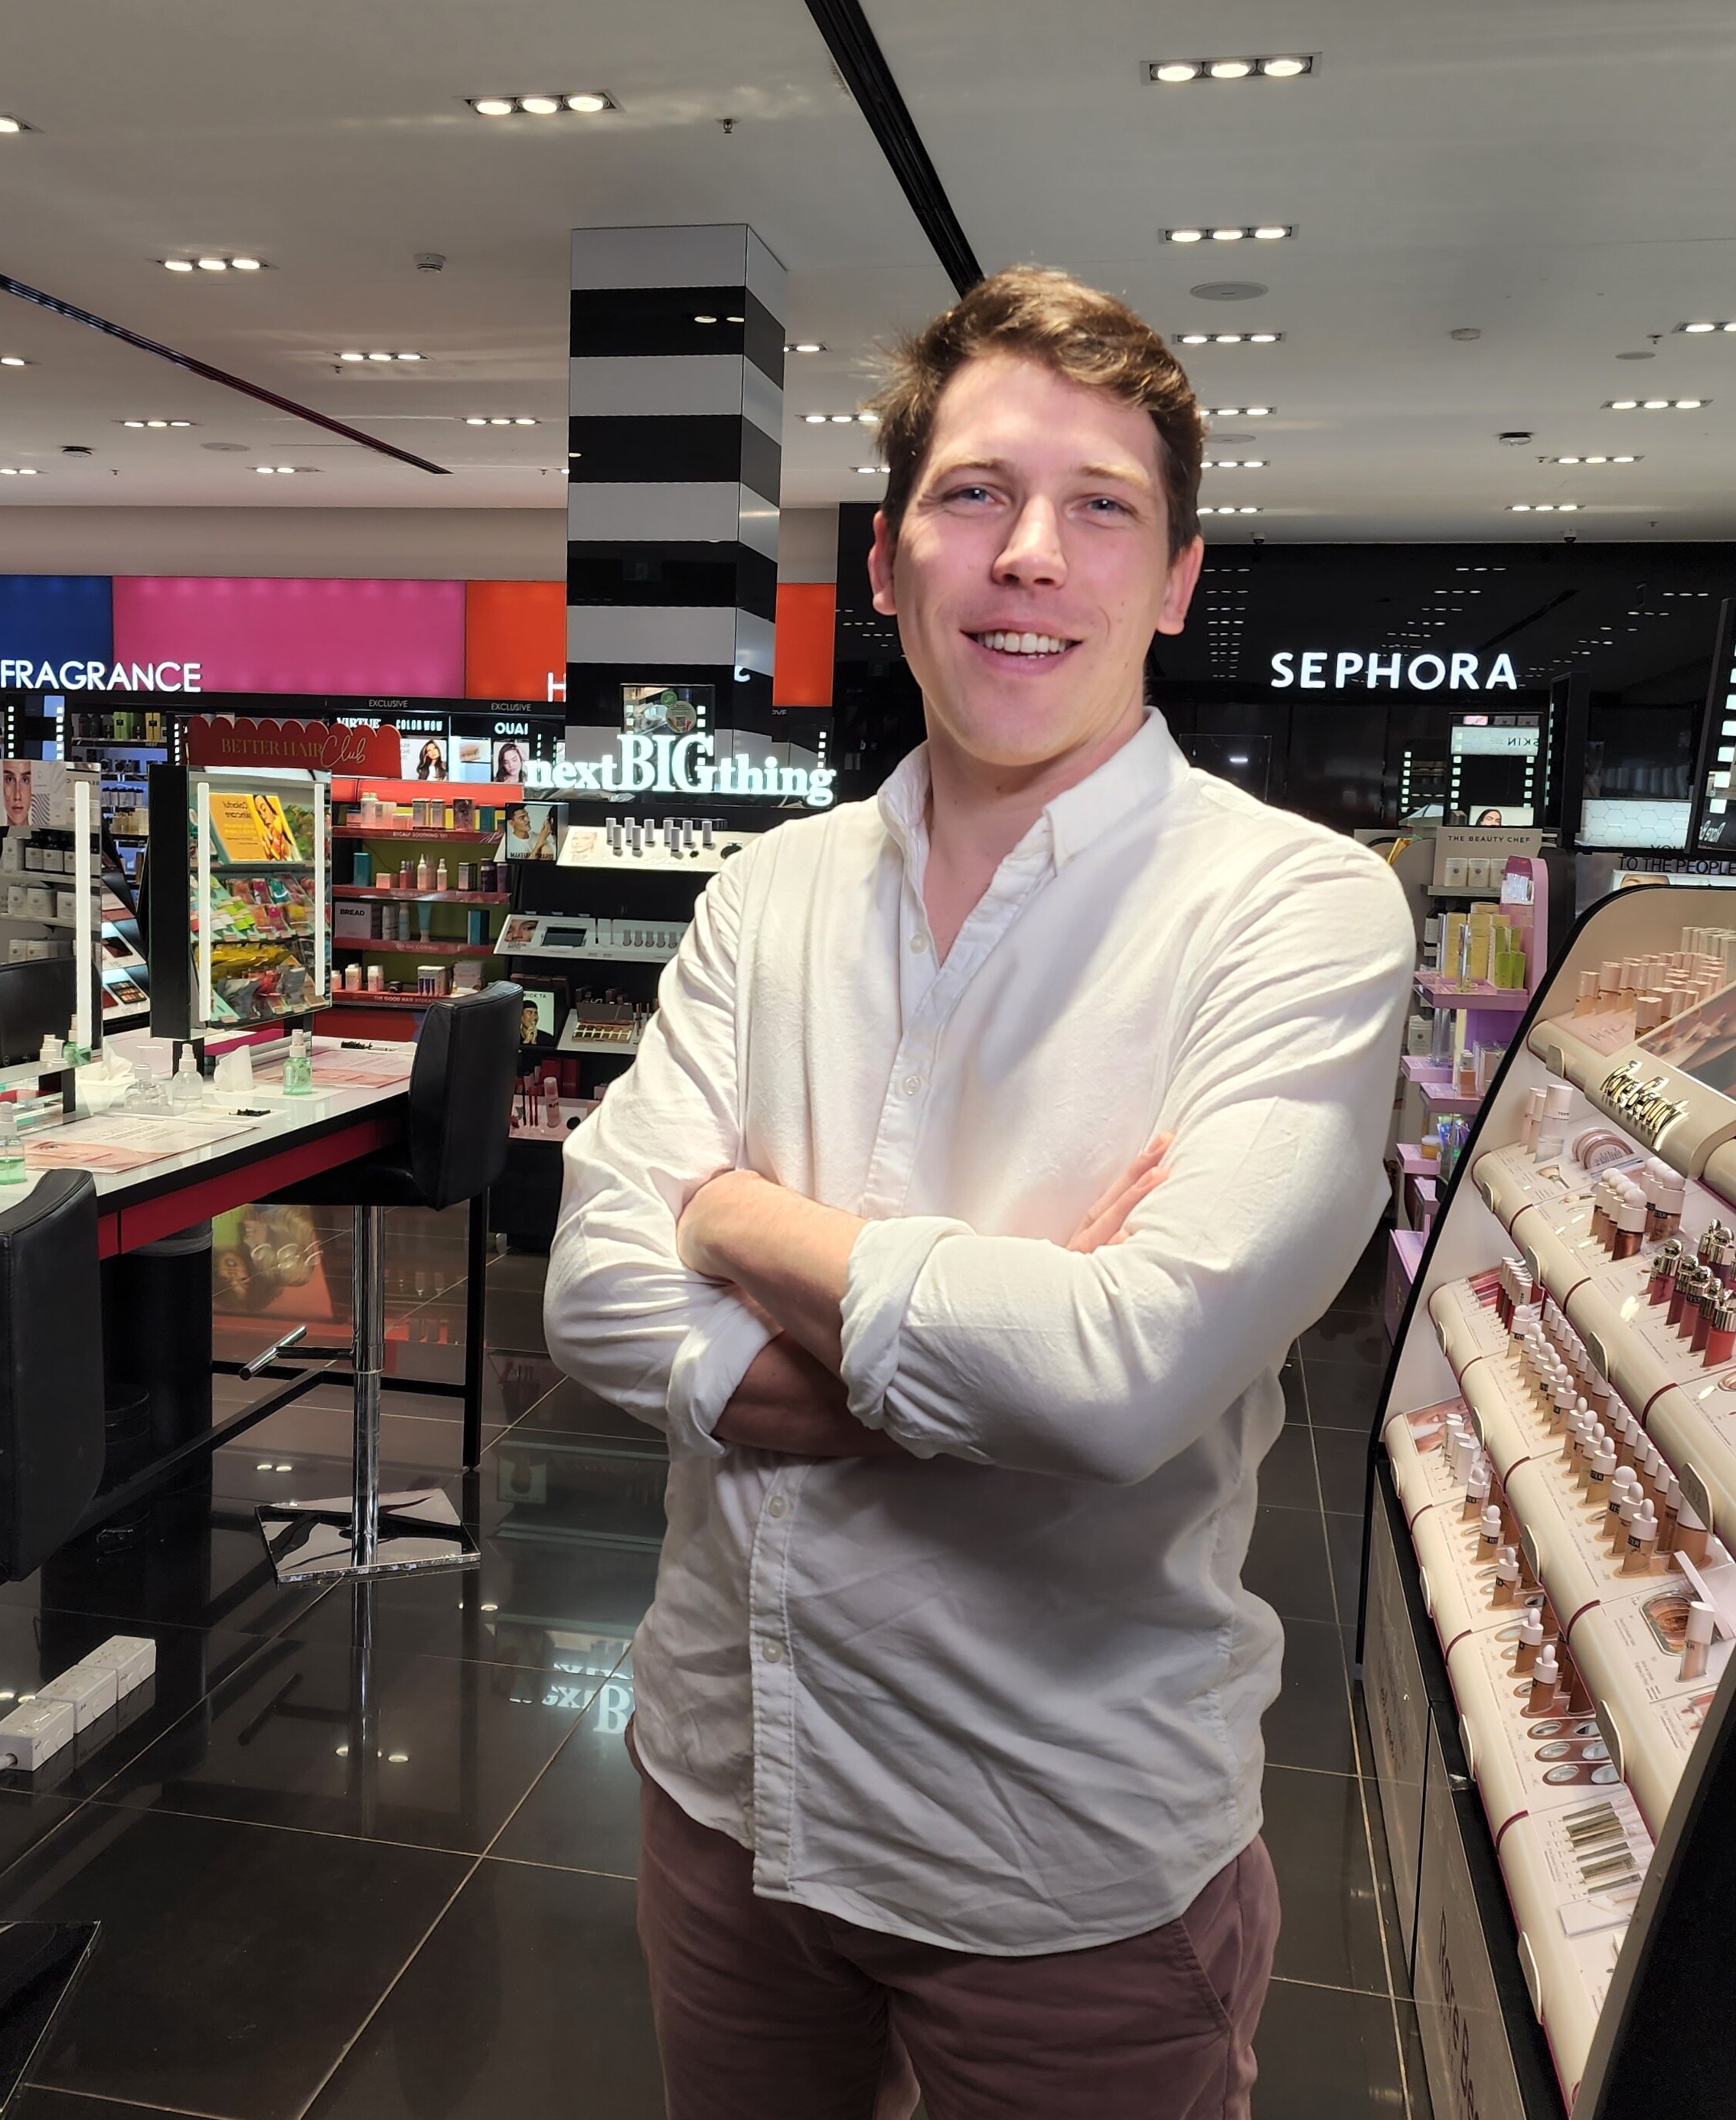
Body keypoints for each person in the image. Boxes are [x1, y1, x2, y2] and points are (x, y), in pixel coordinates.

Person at [547, 266, 1415, 2120]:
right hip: (725, 1781)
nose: (1031, 552)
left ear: (1171, 579)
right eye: (972, 494)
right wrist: (975, 1368)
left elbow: (1117, 1379)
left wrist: (726, 1215)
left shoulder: (1291, 911)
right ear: (885, 561)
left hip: (1058, 1851)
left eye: (1101, 506)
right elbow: (586, 1293)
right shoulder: (764, 894)